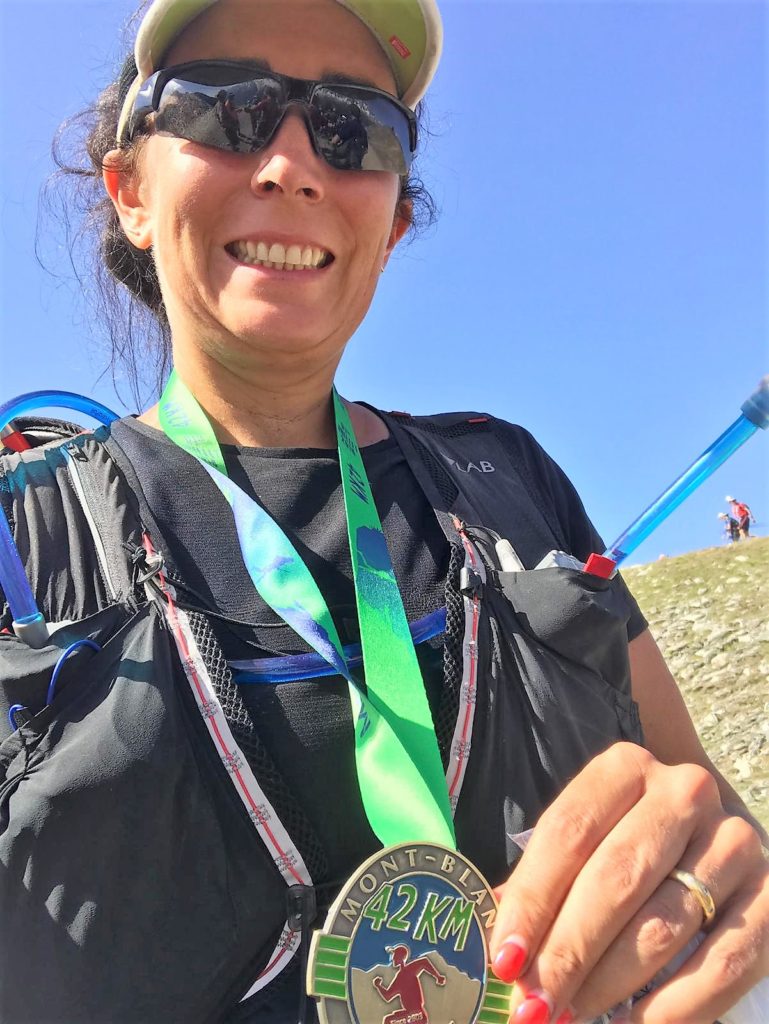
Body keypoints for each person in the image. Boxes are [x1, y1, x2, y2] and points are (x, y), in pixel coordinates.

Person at [0, 2, 767, 1023]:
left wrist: (723, 881)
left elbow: (704, 801)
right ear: (131, 191)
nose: (290, 165)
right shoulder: (20, 538)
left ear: (394, 221)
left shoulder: (509, 476)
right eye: (224, 107)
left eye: (351, 127)